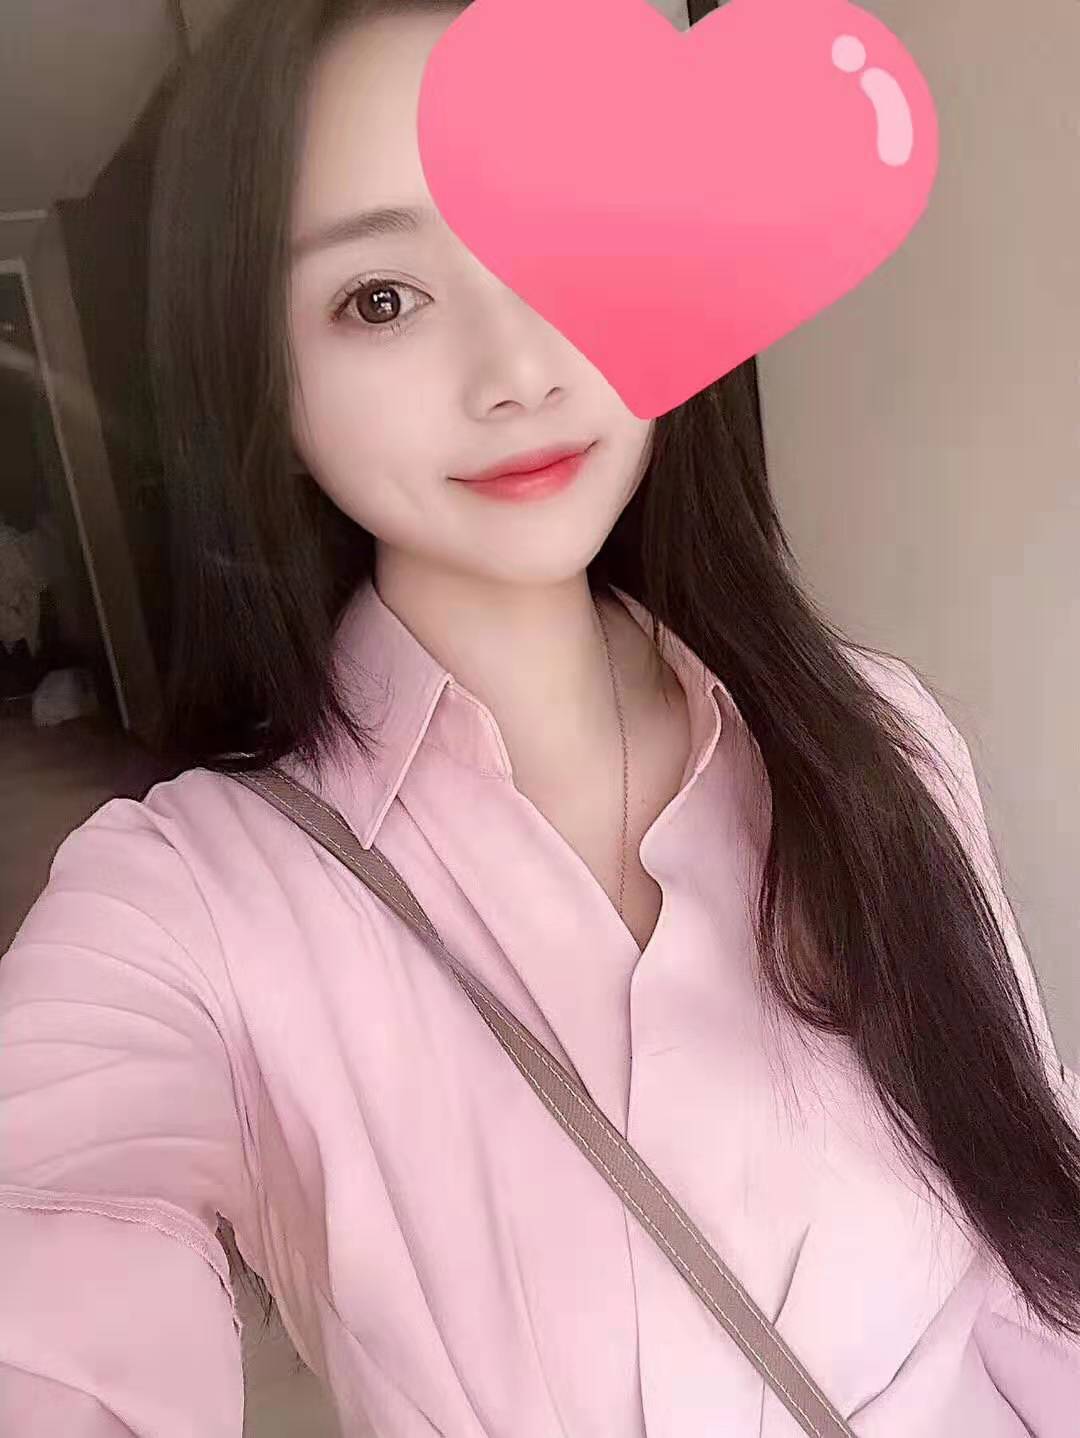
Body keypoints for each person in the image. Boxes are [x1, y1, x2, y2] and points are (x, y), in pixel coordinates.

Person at [1, 1, 1078, 1433]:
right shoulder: (190, 909)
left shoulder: (879, 734)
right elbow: (52, 1228)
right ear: (258, 372)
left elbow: (1036, 1238)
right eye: (381, 298)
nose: (518, 368)